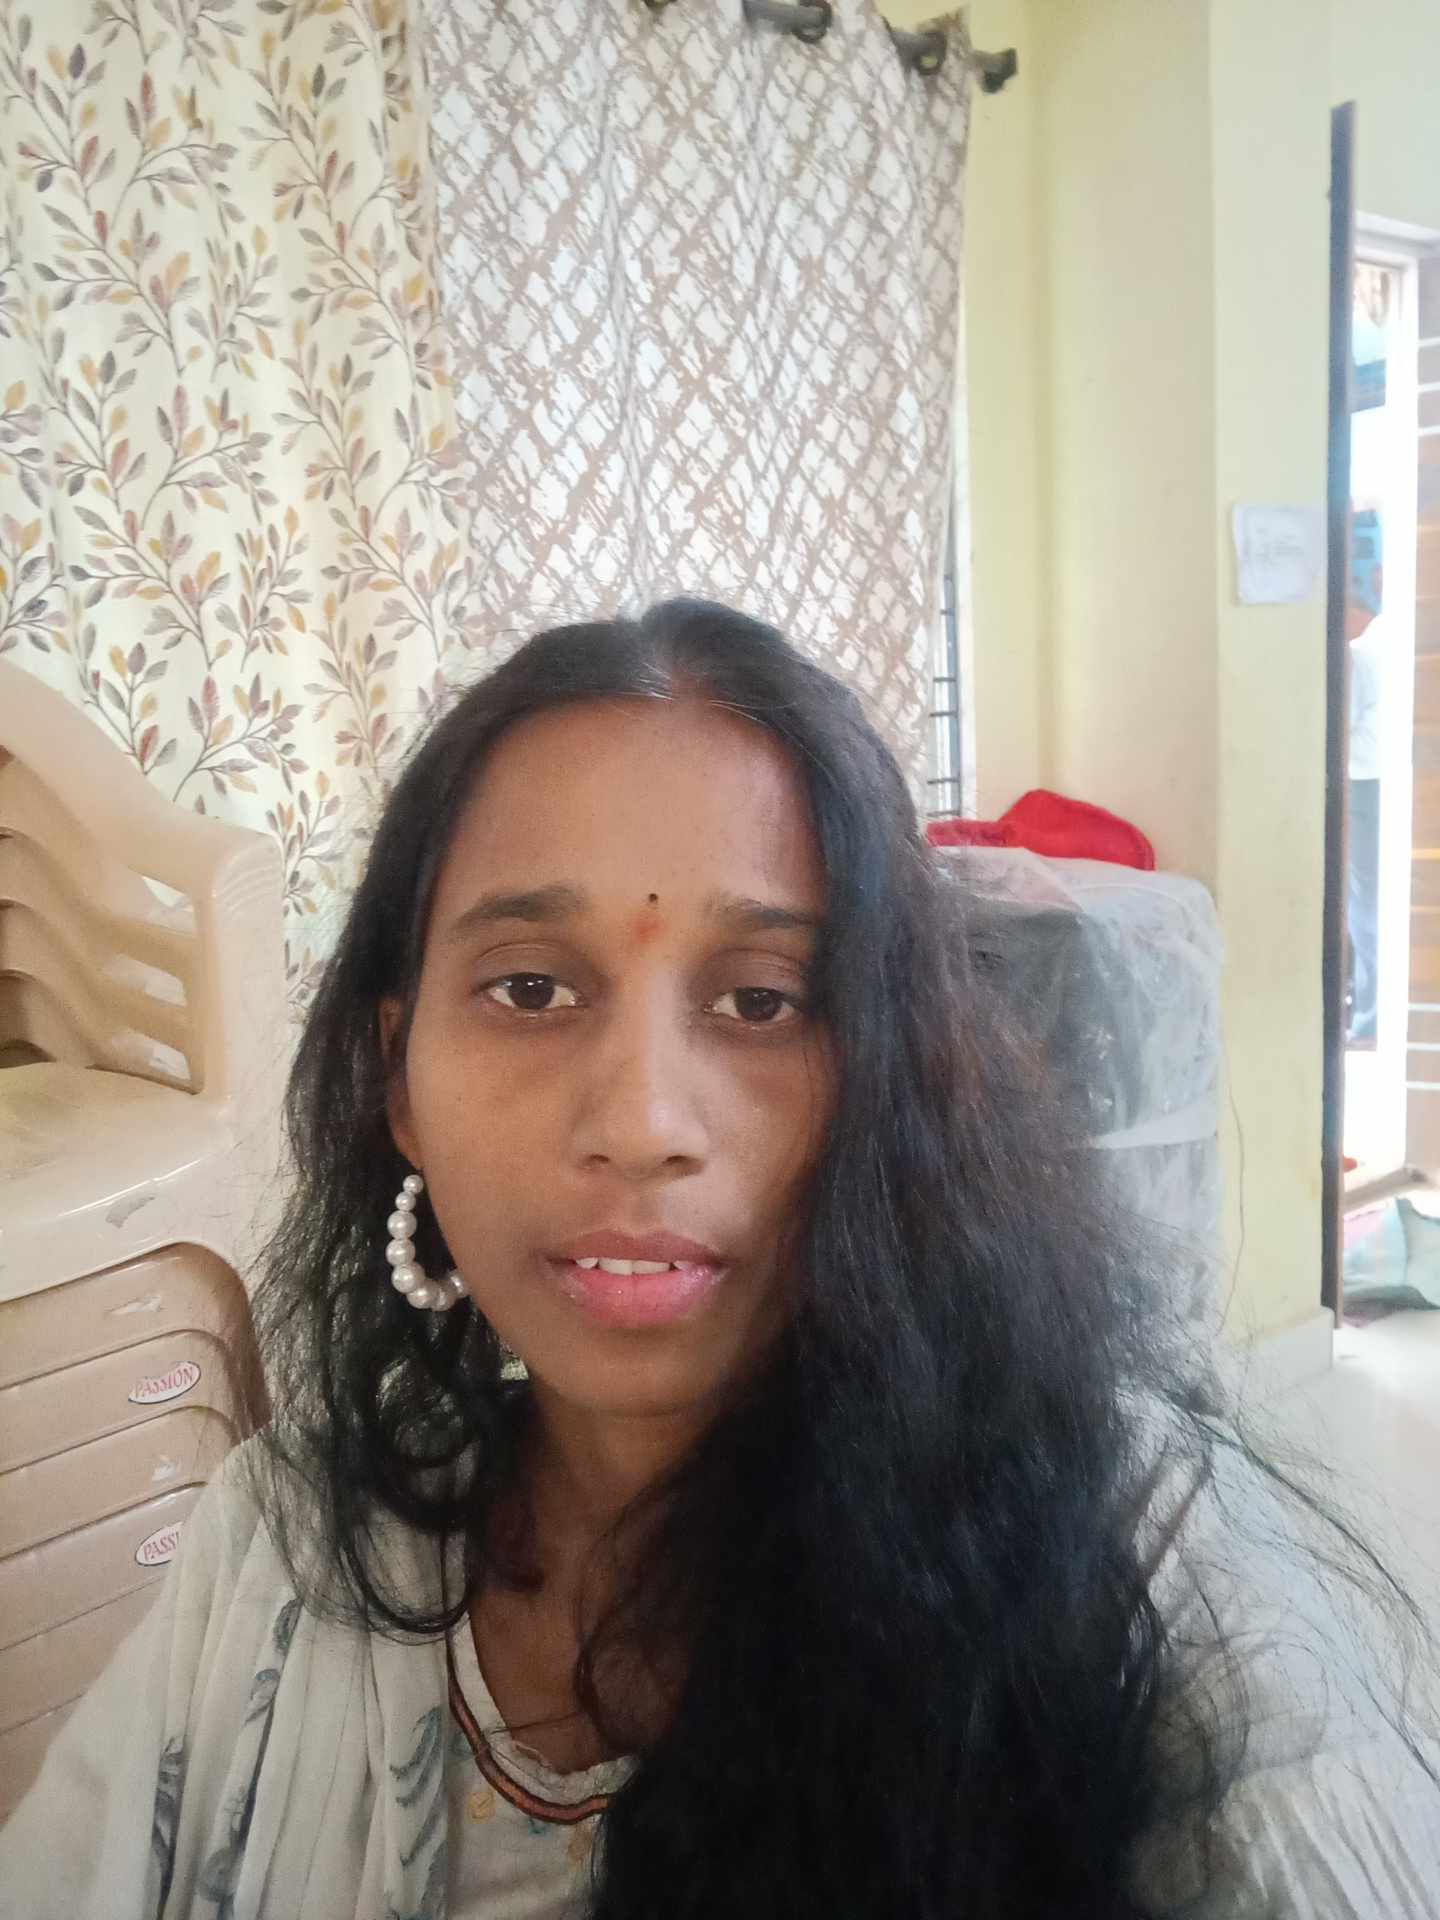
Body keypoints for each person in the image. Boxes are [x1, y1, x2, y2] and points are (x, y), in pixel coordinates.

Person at [1, 598, 1437, 1918]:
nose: (641, 1124)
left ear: (899, 1078)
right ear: (401, 1082)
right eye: (530, 988)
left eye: (763, 1002)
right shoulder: (278, 1546)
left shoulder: (1143, 1576)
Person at [1347, 578, 1385, 1045]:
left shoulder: (1360, 655)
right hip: (1379, 784)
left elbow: (1342, 728)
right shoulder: (1390, 646)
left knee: (1364, 905)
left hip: (1360, 785)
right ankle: (1370, 1013)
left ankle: (1368, 1019)